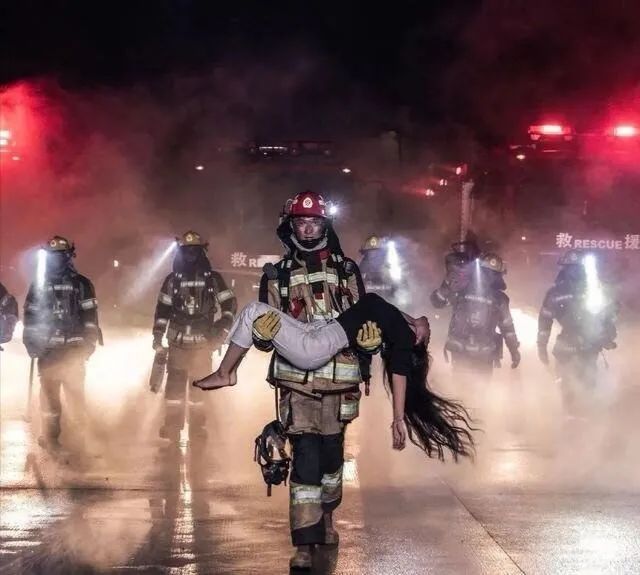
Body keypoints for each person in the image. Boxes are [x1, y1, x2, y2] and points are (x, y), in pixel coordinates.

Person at [194, 292, 474, 459]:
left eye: (425, 339)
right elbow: (381, 304)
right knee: (254, 311)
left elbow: (399, 376)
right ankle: (227, 372)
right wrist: (417, 320)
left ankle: (225, 373)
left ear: (417, 347)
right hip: (318, 332)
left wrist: (398, 418)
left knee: (254, 311)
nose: (426, 335)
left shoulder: (402, 341)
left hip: (316, 347)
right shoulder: (401, 322)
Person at [257, 190, 368, 568]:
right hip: (297, 383)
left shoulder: (347, 270)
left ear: (325, 225)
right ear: (290, 226)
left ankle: (327, 518)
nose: (307, 229)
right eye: (301, 222)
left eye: (314, 222)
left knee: (332, 458)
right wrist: (262, 336)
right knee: (305, 458)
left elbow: (363, 318)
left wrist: (370, 342)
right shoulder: (276, 275)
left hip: (339, 383)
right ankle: (304, 544)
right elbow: (264, 330)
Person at [152, 230, 237, 444]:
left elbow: (229, 304)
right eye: (186, 250)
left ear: (201, 252)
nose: (190, 255)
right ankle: (173, 426)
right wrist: (157, 336)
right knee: (175, 392)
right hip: (178, 346)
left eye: (194, 250)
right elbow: (162, 310)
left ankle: (197, 428)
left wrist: (223, 327)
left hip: (201, 346)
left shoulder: (212, 279)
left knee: (198, 391)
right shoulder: (172, 281)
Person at [23, 236, 101, 450]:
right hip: (47, 352)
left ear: (68, 256)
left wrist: (89, 345)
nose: (56, 260)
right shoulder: (39, 286)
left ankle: (79, 437)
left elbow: (90, 318)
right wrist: (31, 343)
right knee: (50, 401)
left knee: (75, 398)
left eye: (60, 255)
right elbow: (30, 318)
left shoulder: (82, 285)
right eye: (53, 256)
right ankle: (51, 438)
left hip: (72, 353)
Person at [537, 249, 617, 412]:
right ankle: (581, 417)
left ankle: (573, 415)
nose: (574, 272)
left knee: (570, 385)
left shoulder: (555, 293)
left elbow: (545, 321)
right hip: (587, 346)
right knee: (585, 384)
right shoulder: (594, 290)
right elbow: (608, 316)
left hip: (569, 345)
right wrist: (608, 337)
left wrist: (542, 346)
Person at [442, 253, 520, 375]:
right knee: (478, 385)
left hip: (462, 353)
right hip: (483, 356)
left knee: (460, 384)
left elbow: (437, 302)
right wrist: (514, 351)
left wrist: (446, 285)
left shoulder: (461, 289)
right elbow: (507, 328)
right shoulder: (500, 299)